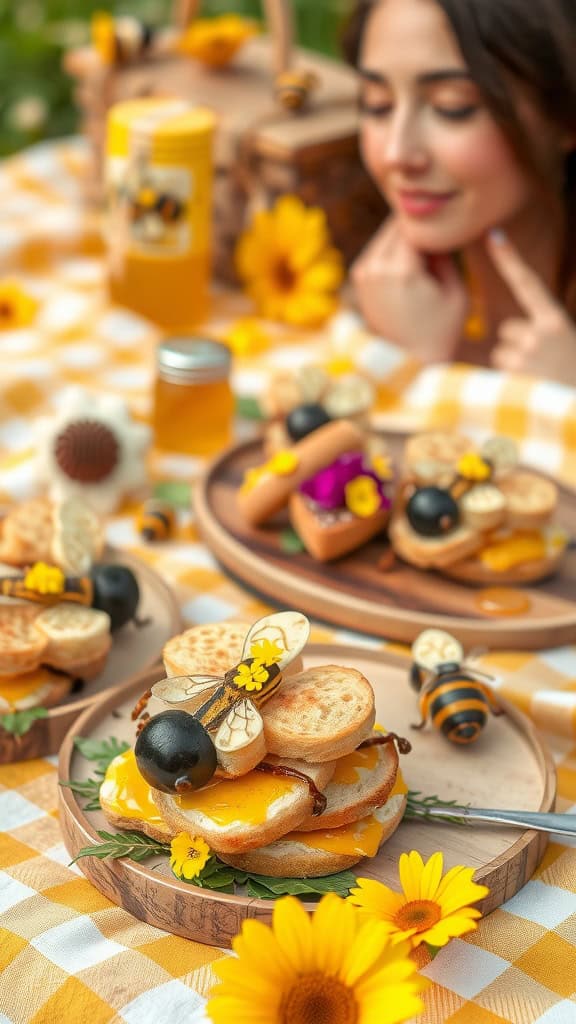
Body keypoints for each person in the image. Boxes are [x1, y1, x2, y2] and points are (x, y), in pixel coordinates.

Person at [344, 0, 576, 383]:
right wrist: (415, 364)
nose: (397, 153)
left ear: (564, 116)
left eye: (453, 107)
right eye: (378, 105)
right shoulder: (370, 308)